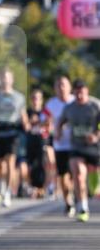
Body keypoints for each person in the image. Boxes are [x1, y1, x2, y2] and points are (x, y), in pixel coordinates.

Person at [56, 79, 100, 223]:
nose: (80, 96)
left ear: (87, 91)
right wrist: (58, 132)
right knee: (79, 175)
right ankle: (83, 208)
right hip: (77, 146)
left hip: (94, 147)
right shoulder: (69, 108)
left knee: (95, 186)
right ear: (73, 92)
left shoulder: (95, 105)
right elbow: (60, 122)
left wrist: (96, 136)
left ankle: (93, 189)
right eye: (77, 93)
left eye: (82, 92)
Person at [0, 68, 28, 208]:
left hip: (12, 132)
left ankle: (8, 193)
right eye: (2, 78)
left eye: (7, 78)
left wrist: (26, 124)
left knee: (10, 162)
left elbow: (23, 114)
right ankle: (0, 184)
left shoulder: (19, 97)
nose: (5, 80)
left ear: (12, 80)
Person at [45, 75, 76, 216]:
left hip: (76, 144)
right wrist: (52, 129)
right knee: (63, 175)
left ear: (69, 87)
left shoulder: (76, 101)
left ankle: (76, 195)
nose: (61, 88)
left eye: (64, 84)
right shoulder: (50, 105)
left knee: (76, 173)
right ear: (55, 89)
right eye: (58, 85)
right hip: (60, 145)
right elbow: (45, 123)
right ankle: (68, 202)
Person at [24, 88, 51, 198]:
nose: (36, 100)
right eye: (34, 98)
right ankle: (33, 187)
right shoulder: (28, 112)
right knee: (30, 164)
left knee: (42, 164)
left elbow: (49, 126)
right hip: (30, 139)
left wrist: (41, 122)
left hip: (42, 140)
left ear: (41, 100)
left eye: (38, 98)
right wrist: (31, 121)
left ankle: (42, 188)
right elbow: (26, 126)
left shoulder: (45, 112)